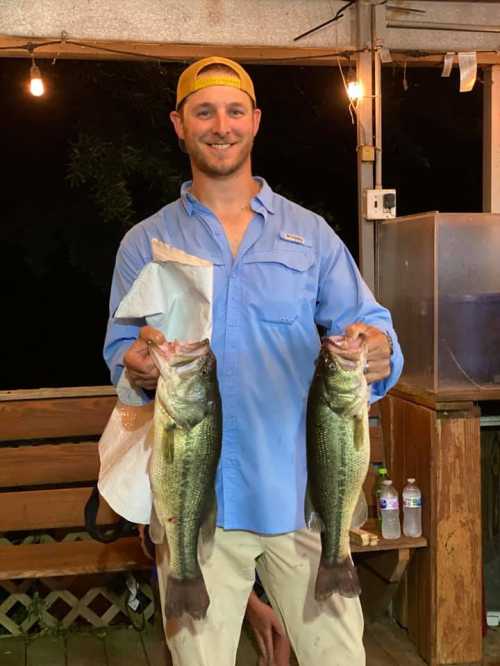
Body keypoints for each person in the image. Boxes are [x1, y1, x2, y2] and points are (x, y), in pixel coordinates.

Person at [103, 56, 403, 666]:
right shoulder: (146, 242)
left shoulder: (311, 234)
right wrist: (136, 365)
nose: (222, 125)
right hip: (196, 507)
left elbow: (374, 330)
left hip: (304, 496)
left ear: (256, 121)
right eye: (204, 111)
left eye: (235, 110)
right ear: (178, 125)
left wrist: (374, 351)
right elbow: (121, 357)